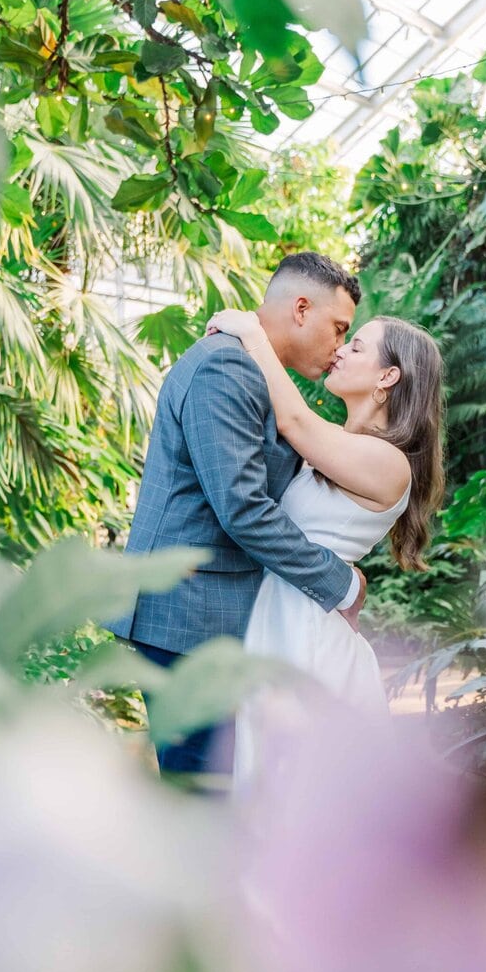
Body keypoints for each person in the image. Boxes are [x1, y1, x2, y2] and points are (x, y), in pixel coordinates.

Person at [106, 253, 366, 774]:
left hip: (209, 618)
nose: (339, 346)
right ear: (301, 309)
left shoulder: (252, 367)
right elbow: (242, 507)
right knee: (206, 795)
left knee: (229, 790)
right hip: (188, 619)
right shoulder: (226, 366)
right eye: (339, 328)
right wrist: (340, 584)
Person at [205, 307, 445, 785]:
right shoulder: (339, 443)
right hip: (284, 615)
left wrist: (252, 331)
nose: (340, 351)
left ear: (387, 376)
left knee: (297, 785)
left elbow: (294, 420)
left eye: (356, 346)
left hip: (310, 633)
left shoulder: (390, 463)